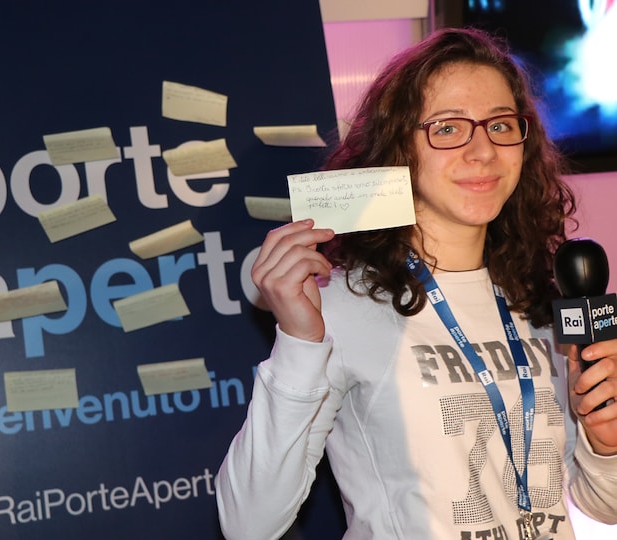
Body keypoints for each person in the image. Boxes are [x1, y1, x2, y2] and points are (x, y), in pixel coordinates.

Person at [215, 27, 617, 540]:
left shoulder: (543, 298)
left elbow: (601, 504)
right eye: (448, 129)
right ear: (399, 147)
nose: (483, 151)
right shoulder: (338, 306)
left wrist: (605, 445)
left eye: (500, 125)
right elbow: (248, 525)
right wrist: (299, 342)